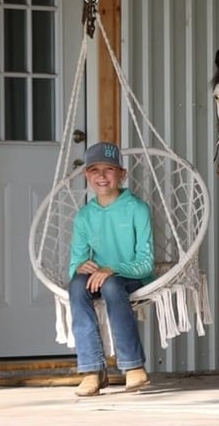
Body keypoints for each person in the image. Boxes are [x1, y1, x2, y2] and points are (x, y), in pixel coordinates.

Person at [68, 141, 155, 396]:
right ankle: (91, 370)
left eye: (109, 170)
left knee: (113, 284)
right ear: (87, 175)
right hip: (99, 279)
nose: (102, 176)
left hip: (133, 278)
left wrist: (111, 269)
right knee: (75, 285)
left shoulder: (137, 209)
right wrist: (81, 267)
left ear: (122, 174)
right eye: (95, 170)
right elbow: (74, 264)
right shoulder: (85, 215)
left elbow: (145, 263)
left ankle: (132, 366)